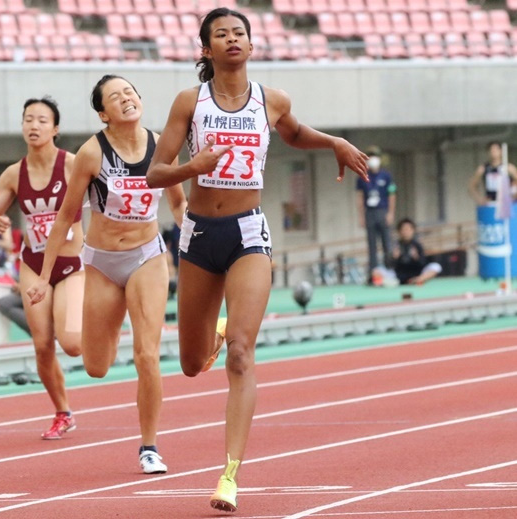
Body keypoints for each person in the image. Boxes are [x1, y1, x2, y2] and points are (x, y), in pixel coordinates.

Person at [145, 8, 368, 511]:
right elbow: (155, 173)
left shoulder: (272, 100)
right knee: (190, 365)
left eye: (239, 33)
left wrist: (332, 141)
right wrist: (193, 167)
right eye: (220, 34)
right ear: (206, 49)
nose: (231, 40)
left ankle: (229, 475)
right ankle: (216, 334)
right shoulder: (190, 102)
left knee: (243, 353)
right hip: (200, 235)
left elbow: (293, 133)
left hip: (248, 233)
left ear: (251, 44)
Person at [25, 79, 187, 473]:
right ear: (103, 114)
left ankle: (149, 446)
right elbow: (66, 217)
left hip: (147, 257)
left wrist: (200, 252)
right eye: (116, 98)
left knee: (147, 355)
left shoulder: (163, 145)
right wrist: (44, 278)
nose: (126, 99)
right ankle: (111, 328)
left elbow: (180, 205)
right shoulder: (91, 153)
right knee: (96, 365)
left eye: (131, 92)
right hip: (101, 262)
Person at [0, 96, 86, 441]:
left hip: (72, 264)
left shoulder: (73, 165)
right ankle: (63, 412)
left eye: (42, 120)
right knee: (43, 344)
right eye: (28, 119)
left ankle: (103, 326)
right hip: (33, 263)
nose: (34, 125)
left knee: (72, 344)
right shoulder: (14, 173)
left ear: (55, 128)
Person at [356, 145, 396, 282]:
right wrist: (361, 216)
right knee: (372, 245)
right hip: (370, 212)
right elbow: (360, 197)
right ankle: (374, 274)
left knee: (387, 244)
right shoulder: (362, 176)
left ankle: (389, 271)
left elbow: (392, 194)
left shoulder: (386, 176)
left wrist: (390, 213)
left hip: (383, 211)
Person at [393, 218, 442, 285]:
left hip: (417, 273)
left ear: (413, 230)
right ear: (399, 231)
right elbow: (389, 266)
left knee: (436, 266)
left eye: (408, 229)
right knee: (378, 270)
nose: (405, 232)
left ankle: (418, 280)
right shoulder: (395, 245)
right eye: (403, 229)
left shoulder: (417, 245)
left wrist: (416, 257)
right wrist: (394, 258)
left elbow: (423, 263)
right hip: (399, 275)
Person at [468, 141, 517, 206]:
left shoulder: (509, 167)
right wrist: (480, 199)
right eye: (491, 150)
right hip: (490, 203)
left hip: (507, 204)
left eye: (496, 150)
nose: (493, 152)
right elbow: (471, 186)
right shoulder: (483, 168)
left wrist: (514, 196)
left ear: (501, 151)